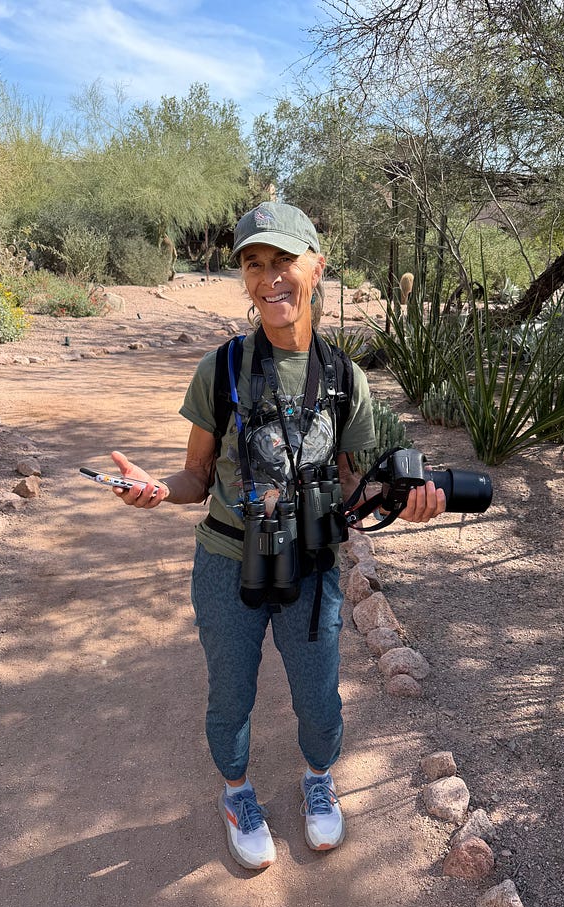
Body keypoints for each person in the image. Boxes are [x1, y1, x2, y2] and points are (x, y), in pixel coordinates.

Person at [109, 202, 446, 871]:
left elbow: (352, 486)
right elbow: (196, 477)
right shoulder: (222, 368)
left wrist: (402, 504)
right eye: (254, 264)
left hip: (314, 566)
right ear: (244, 276)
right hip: (226, 562)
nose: (270, 278)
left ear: (316, 267)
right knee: (230, 694)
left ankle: (318, 781)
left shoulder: (346, 377)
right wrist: (155, 491)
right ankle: (237, 793)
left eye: (283, 261)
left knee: (319, 699)